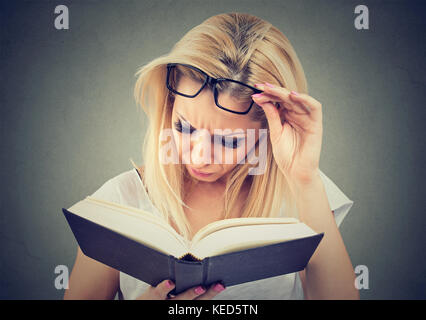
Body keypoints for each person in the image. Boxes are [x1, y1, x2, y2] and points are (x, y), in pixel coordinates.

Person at [64, 12, 359, 300]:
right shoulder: (118, 202)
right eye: (184, 127)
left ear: (267, 131)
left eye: (228, 141)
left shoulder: (302, 197)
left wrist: (305, 179)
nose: (200, 157)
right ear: (170, 103)